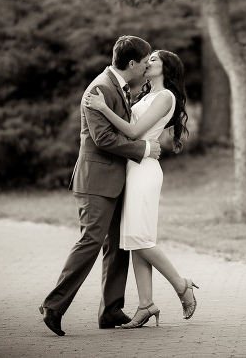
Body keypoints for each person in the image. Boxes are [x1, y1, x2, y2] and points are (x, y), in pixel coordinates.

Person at [39, 36, 162, 336]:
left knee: (117, 245)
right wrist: (143, 149)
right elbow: (103, 138)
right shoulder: (100, 88)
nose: (148, 64)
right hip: (96, 181)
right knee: (91, 242)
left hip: (115, 181)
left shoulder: (117, 85)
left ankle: (110, 310)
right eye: (145, 60)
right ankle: (53, 306)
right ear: (132, 63)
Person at [83, 49, 198, 328]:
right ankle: (146, 304)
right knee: (135, 239)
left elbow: (134, 134)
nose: (148, 62)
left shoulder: (165, 97)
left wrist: (102, 108)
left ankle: (181, 285)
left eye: (154, 59)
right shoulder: (145, 95)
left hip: (144, 170)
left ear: (166, 67)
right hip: (133, 167)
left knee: (138, 237)